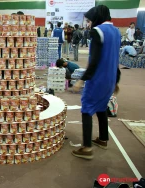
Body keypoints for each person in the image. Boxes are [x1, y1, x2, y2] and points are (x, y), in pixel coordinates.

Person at [72, 5, 121, 160]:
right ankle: (103, 139)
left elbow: (94, 60)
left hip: (98, 79)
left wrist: (82, 79)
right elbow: (115, 58)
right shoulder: (117, 32)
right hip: (110, 78)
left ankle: (86, 148)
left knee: (86, 108)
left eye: (90, 20)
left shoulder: (98, 31)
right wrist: (116, 80)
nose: (89, 23)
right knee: (101, 108)